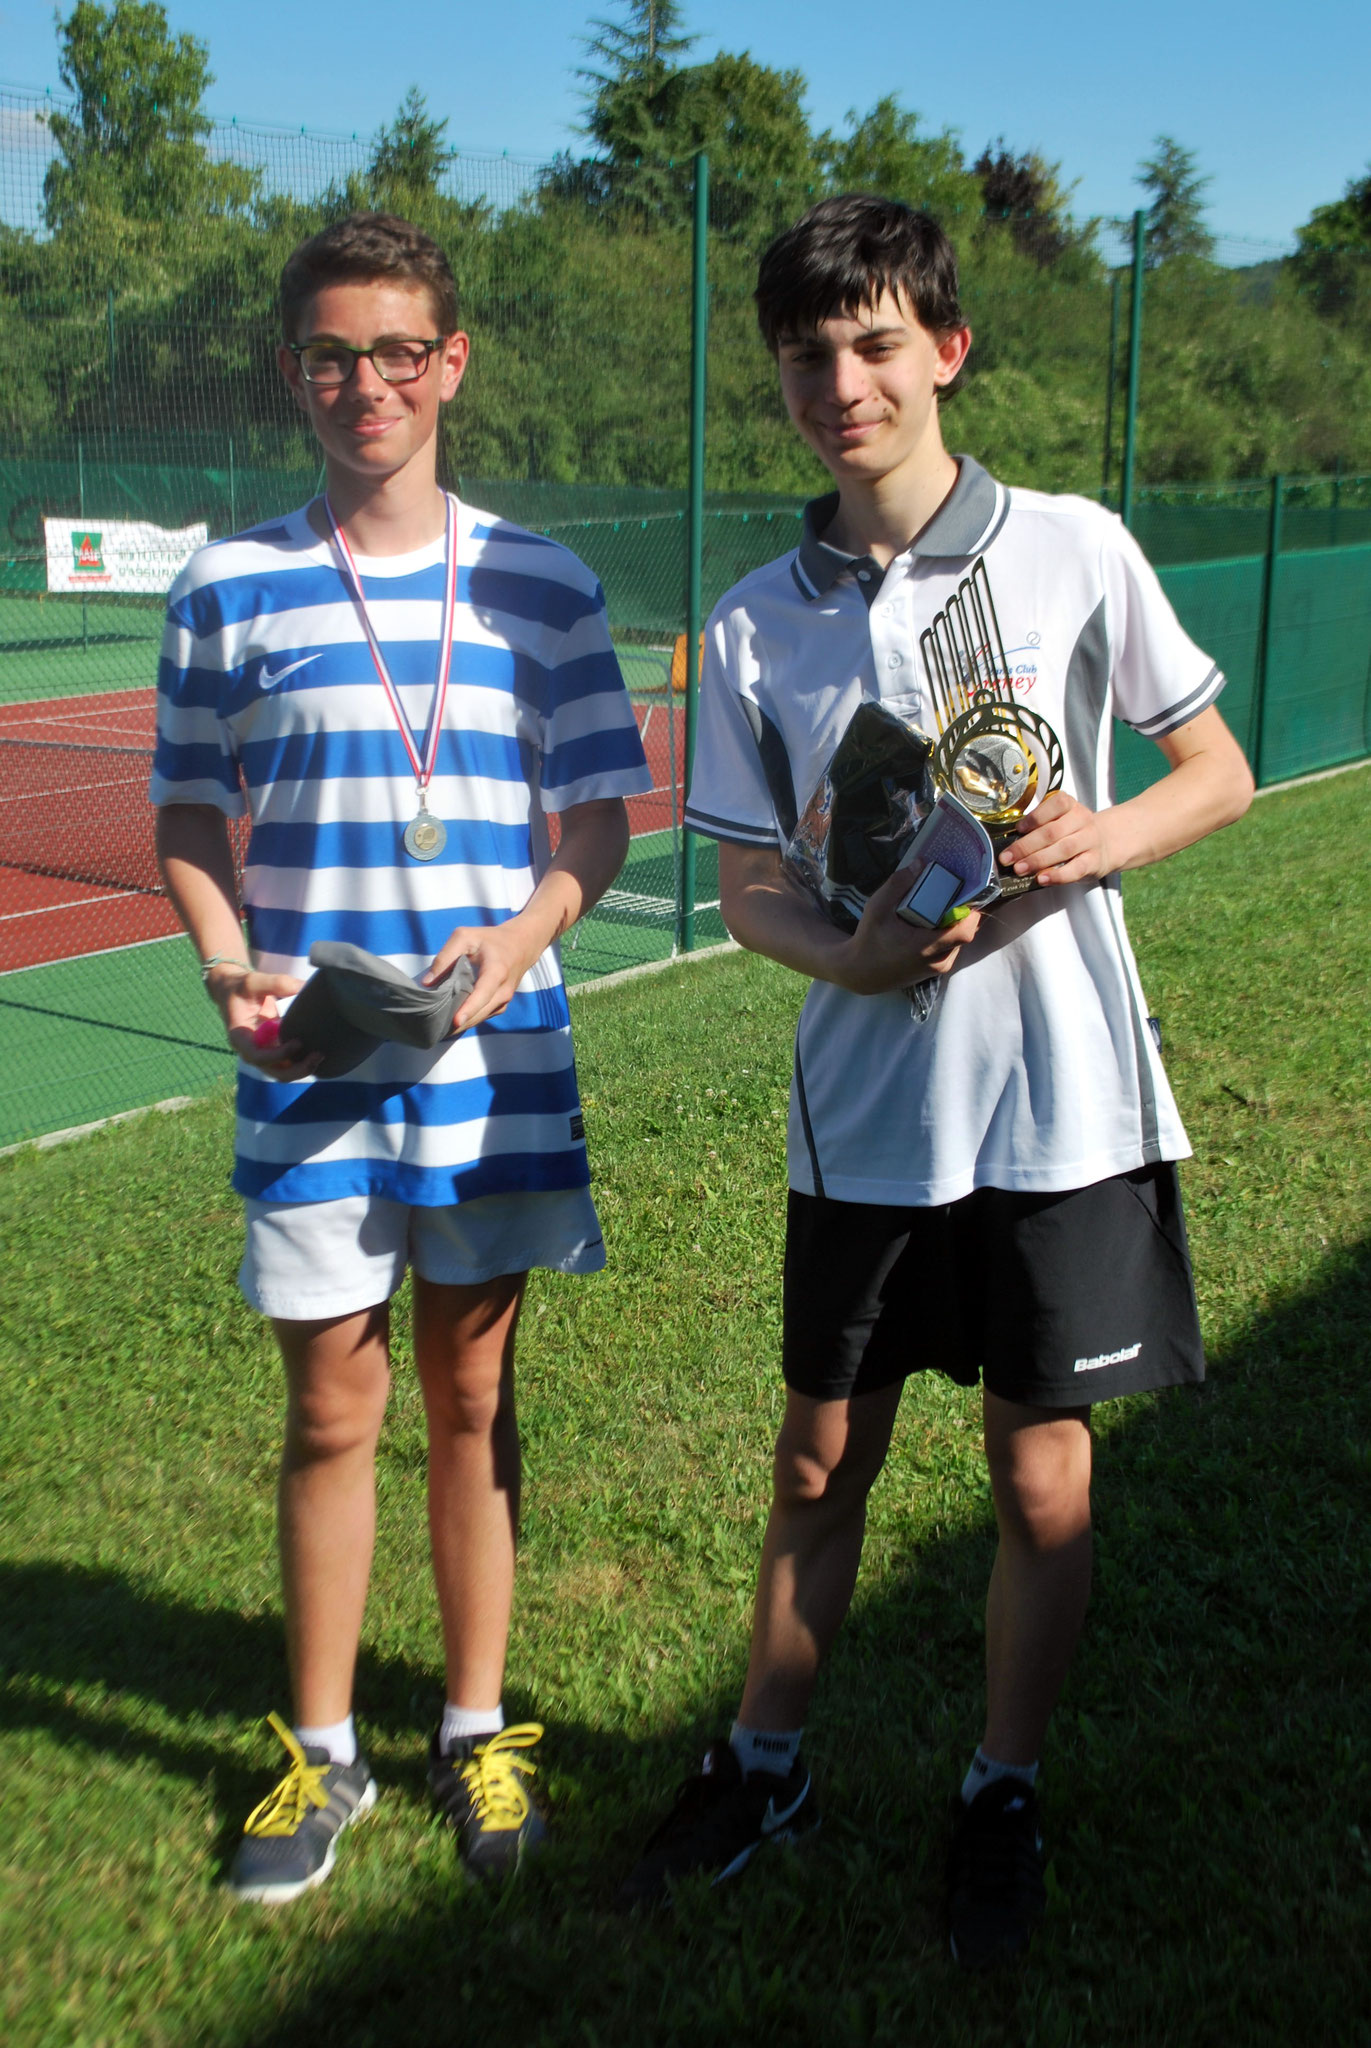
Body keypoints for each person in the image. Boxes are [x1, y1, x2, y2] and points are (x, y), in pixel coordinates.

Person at [617, 194, 1254, 1965]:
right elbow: (752, 885)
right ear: (782, 378)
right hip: (870, 1111)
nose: (847, 382)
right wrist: (854, 957)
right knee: (820, 1466)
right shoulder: (755, 623)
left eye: (880, 342)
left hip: (1067, 1106)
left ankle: (1000, 1791)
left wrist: (1096, 832)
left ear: (946, 349)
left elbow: (1217, 770)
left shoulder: (1069, 546)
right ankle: (765, 1763)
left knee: (1042, 1477)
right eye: (811, 355)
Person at [151, 212, 650, 1904]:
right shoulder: (226, 586)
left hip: (496, 1062)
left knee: (473, 1394)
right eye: (329, 354)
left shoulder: (543, 583)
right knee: (329, 1404)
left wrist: (516, 947)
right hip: (311, 1065)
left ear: (453, 363)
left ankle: (475, 1724)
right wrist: (227, 964)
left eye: (396, 351)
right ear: (294, 367)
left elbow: (598, 817)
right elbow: (187, 819)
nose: (364, 383)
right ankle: (321, 1755)